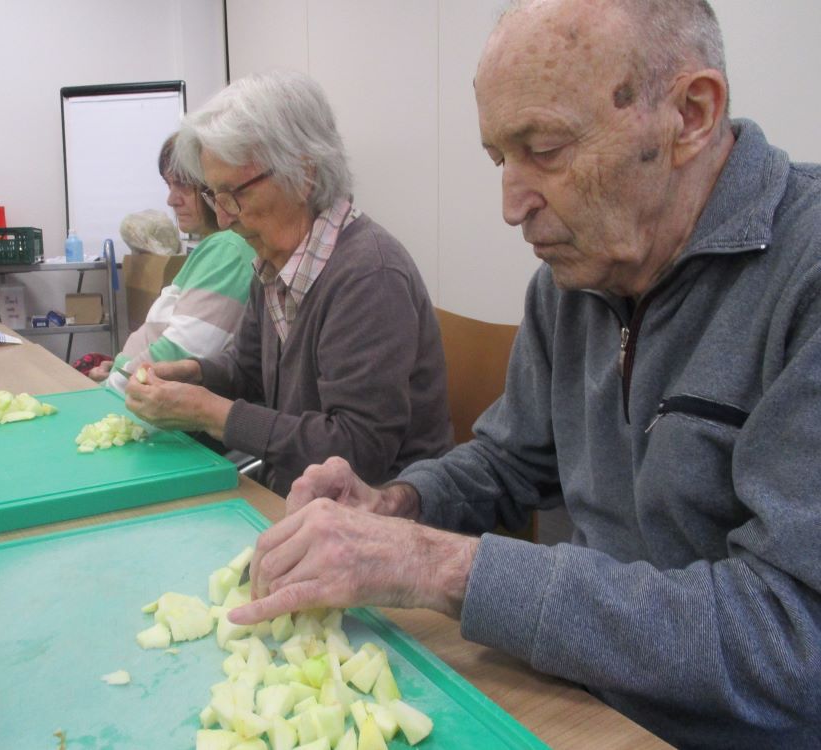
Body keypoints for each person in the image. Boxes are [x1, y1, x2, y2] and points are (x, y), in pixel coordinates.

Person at [225, 2, 821, 748]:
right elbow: (509, 459)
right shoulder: (575, 278)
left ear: (690, 115)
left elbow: (793, 640)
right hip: (584, 697)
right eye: (498, 158)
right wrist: (400, 504)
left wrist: (444, 569)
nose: (511, 205)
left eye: (544, 148)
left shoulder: (806, 276)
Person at [123, 70, 453, 495]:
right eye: (213, 196)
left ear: (303, 174)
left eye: (234, 194)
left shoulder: (369, 276)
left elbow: (357, 452)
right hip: (300, 497)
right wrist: (192, 374)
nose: (223, 218)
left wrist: (211, 412)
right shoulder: (275, 262)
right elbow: (247, 372)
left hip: (375, 519)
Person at [88, 133, 256, 390]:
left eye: (184, 185)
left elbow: (181, 351)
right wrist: (118, 367)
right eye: (169, 185)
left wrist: (111, 388)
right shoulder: (213, 247)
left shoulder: (229, 249)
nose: (171, 200)